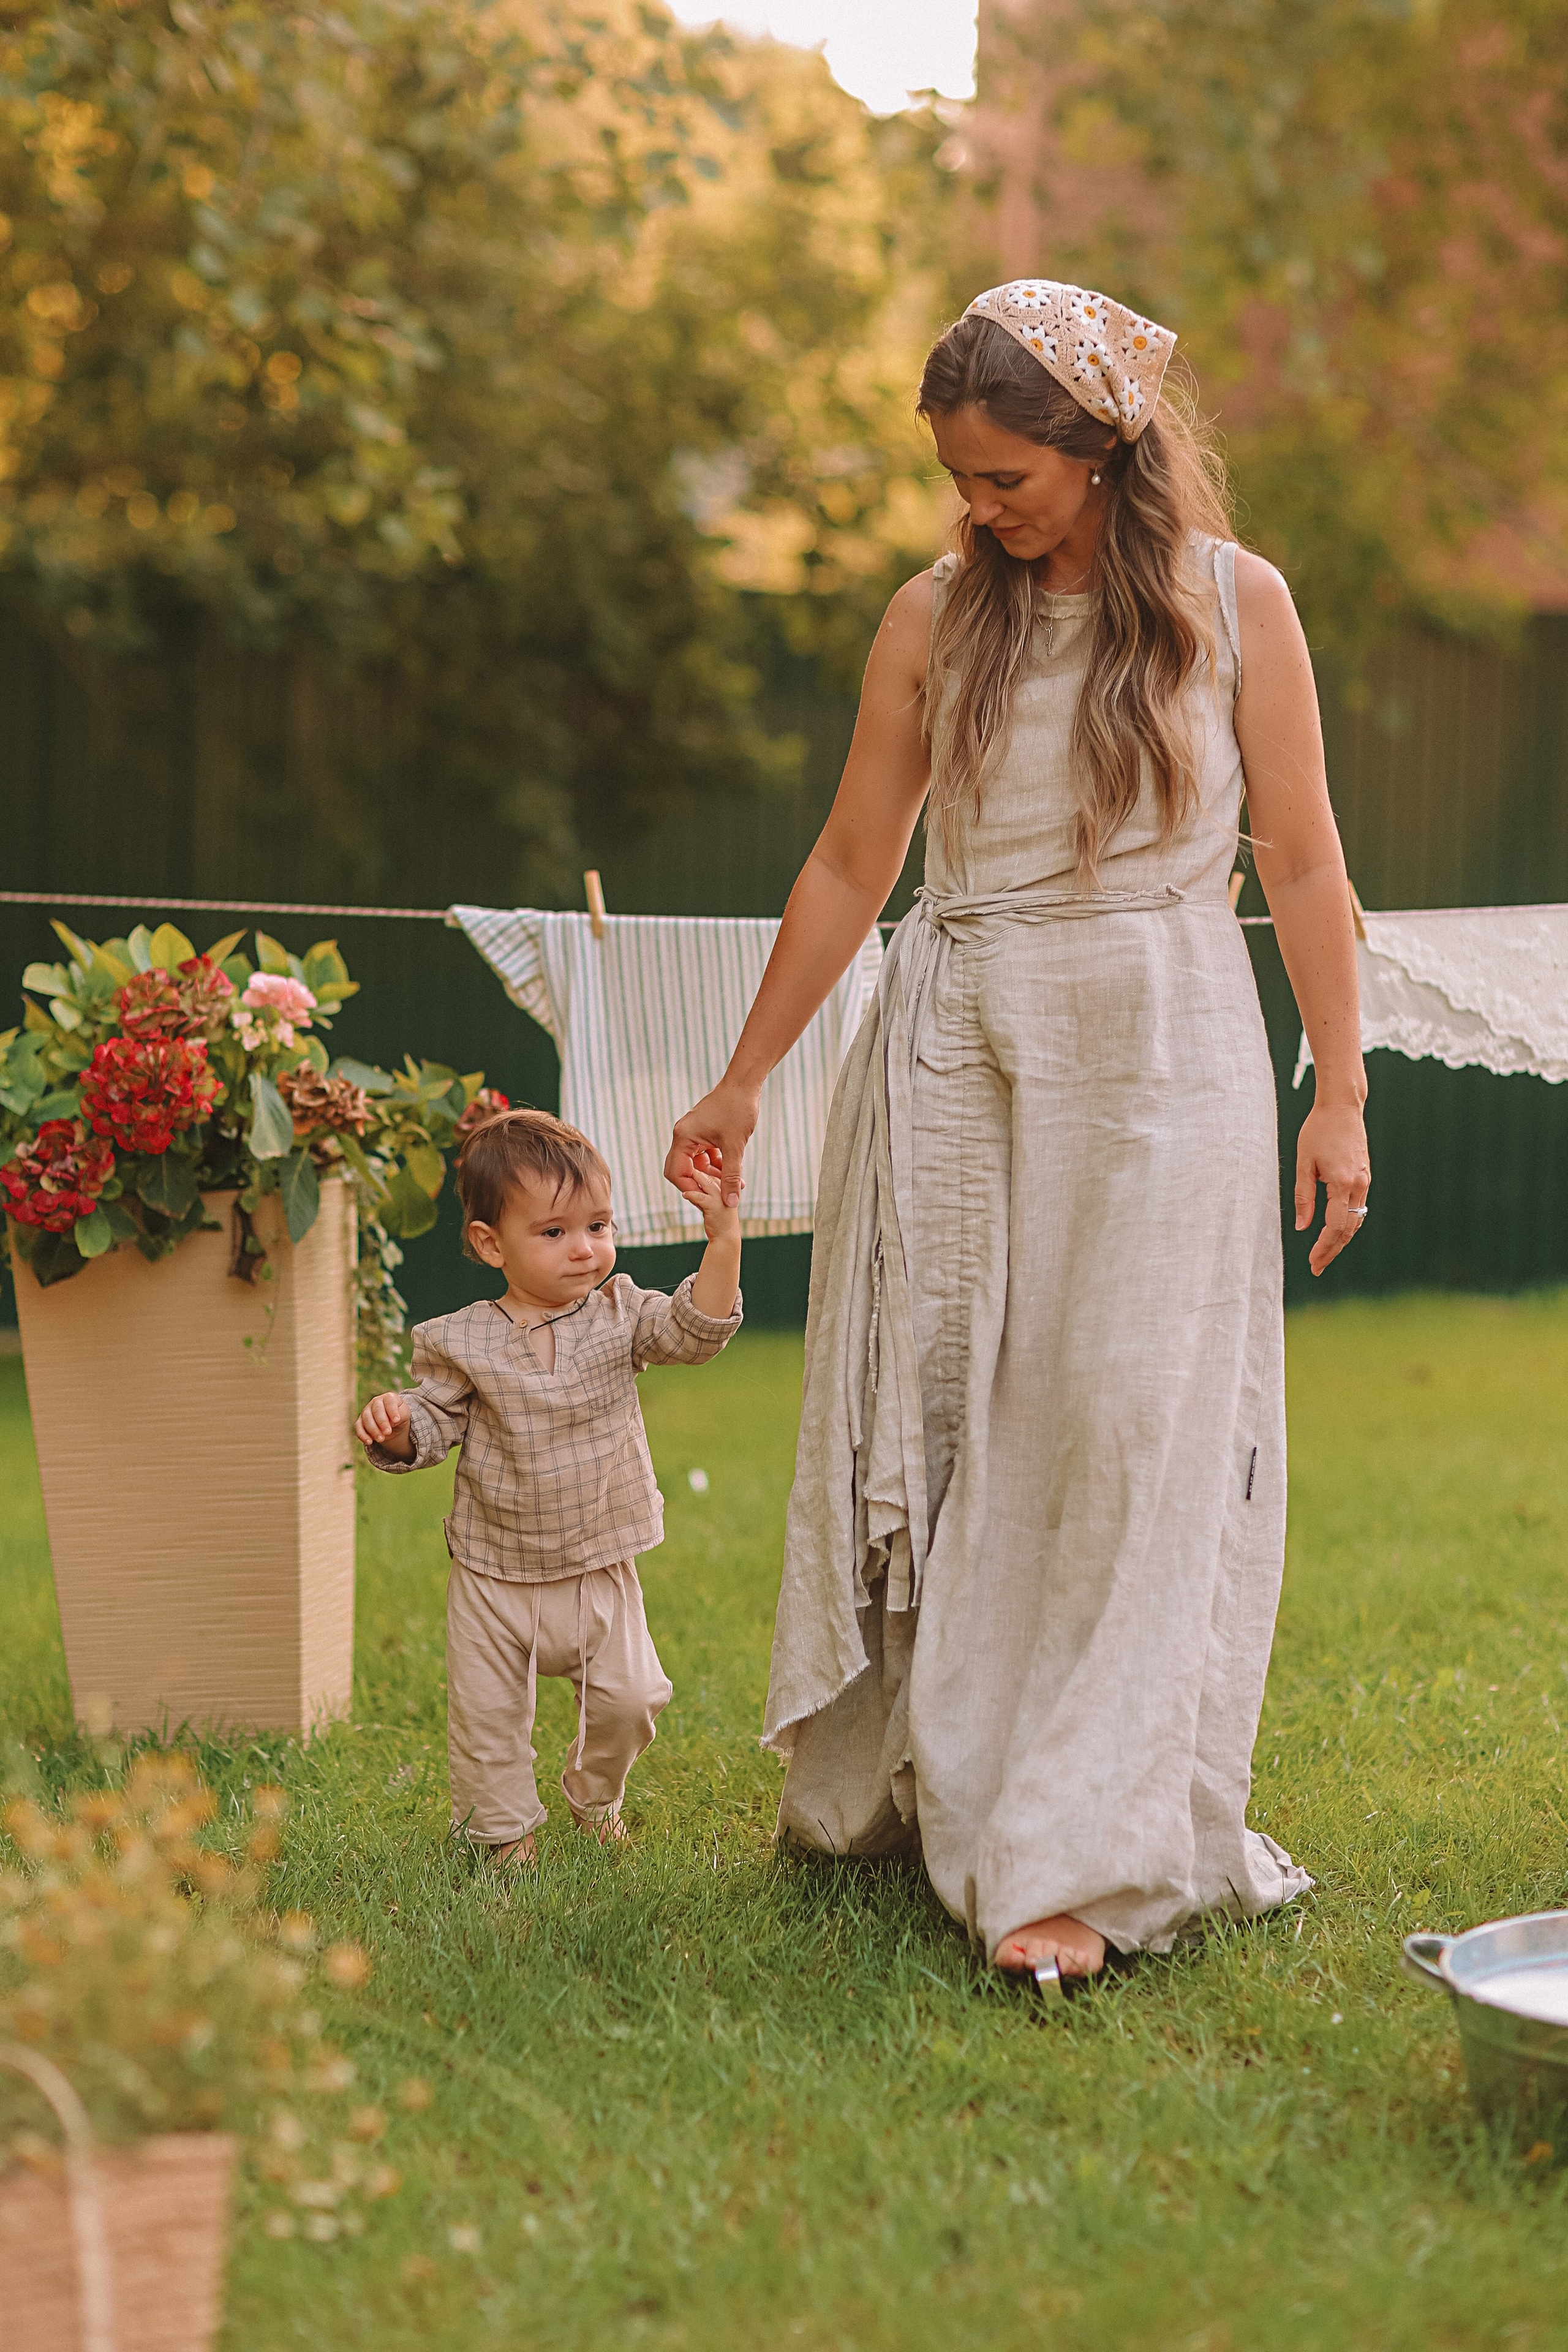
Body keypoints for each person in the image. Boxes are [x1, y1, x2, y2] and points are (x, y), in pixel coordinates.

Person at [665, 279, 1370, 1987]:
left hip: (1162, 1054)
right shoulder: (933, 617)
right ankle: (925, 1781)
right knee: (958, 1427)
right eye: (962, 481)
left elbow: (1304, 863)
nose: (979, 510)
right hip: (961, 1051)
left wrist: (1340, 1091)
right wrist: (744, 1071)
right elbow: (853, 862)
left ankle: (1079, 1852)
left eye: (1007, 480)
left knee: (1126, 1429)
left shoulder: (1233, 603)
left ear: (1106, 444)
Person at [357, 1107, 742, 1863]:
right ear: (490, 1243)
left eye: (599, 1225)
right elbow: (433, 1427)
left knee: (630, 1702)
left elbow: (694, 1332)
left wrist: (723, 1238)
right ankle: (505, 1837)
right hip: (495, 1570)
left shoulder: (622, 1314)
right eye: (555, 1232)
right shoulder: (459, 1339)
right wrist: (398, 1424)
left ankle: (593, 1796)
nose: (584, 1249)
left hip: (599, 1558)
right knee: (488, 1716)